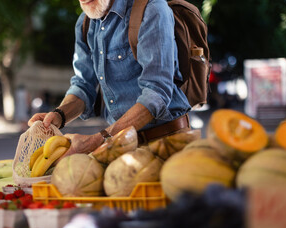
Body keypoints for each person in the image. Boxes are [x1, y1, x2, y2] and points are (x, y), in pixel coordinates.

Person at [28, 0, 192, 157]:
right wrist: (59, 116)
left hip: (167, 141)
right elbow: (83, 86)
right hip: (119, 145)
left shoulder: (152, 9)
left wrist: (97, 141)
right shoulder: (84, 24)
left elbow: (156, 94)